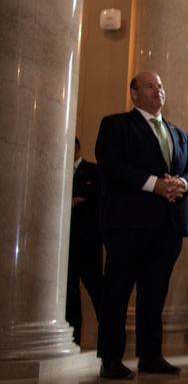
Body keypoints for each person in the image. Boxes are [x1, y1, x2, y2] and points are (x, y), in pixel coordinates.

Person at [94, 71, 188, 379]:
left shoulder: (178, 133)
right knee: (117, 291)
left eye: (161, 86)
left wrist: (181, 182)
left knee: (155, 293)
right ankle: (111, 358)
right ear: (134, 93)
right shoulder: (116, 125)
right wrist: (154, 184)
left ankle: (150, 355)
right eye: (150, 86)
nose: (158, 90)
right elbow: (111, 164)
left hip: (167, 225)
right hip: (127, 223)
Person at [66, 137, 103, 347]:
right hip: (68, 245)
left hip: (89, 243)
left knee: (97, 289)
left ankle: (107, 337)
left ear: (78, 147)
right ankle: (73, 341)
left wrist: (77, 195)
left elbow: (94, 194)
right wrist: (74, 199)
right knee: (70, 295)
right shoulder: (59, 171)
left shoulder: (93, 170)